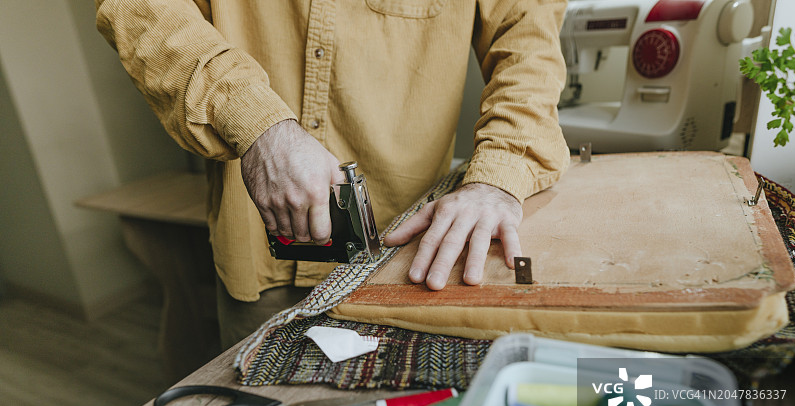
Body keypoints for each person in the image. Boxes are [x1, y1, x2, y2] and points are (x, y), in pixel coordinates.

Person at [95, 0, 570, 348]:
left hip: (407, 262)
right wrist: (255, 122)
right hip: (260, 261)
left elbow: (529, 51)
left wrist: (497, 175)